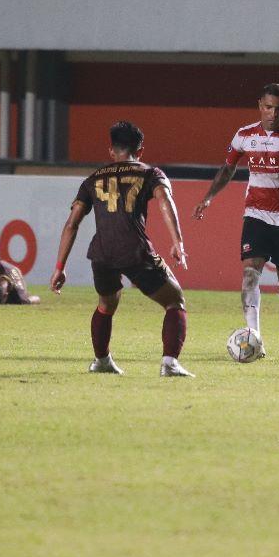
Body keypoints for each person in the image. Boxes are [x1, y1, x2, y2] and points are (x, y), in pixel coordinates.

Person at [192, 83, 279, 349]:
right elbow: (227, 168)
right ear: (260, 106)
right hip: (256, 215)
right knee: (250, 273)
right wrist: (208, 196)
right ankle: (253, 335)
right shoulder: (244, 135)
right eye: (268, 107)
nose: (272, 113)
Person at [50, 121, 192, 378]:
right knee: (174, 301)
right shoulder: (150, 173)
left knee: (107, 302)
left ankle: (101, 360)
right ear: (140, 149)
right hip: (135, 250)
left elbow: (72, 224)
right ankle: (169, 363)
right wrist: (177, 241)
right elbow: (165, 201)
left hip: (102, 254)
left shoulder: (93, 179)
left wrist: (59, 267)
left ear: (111, 150)